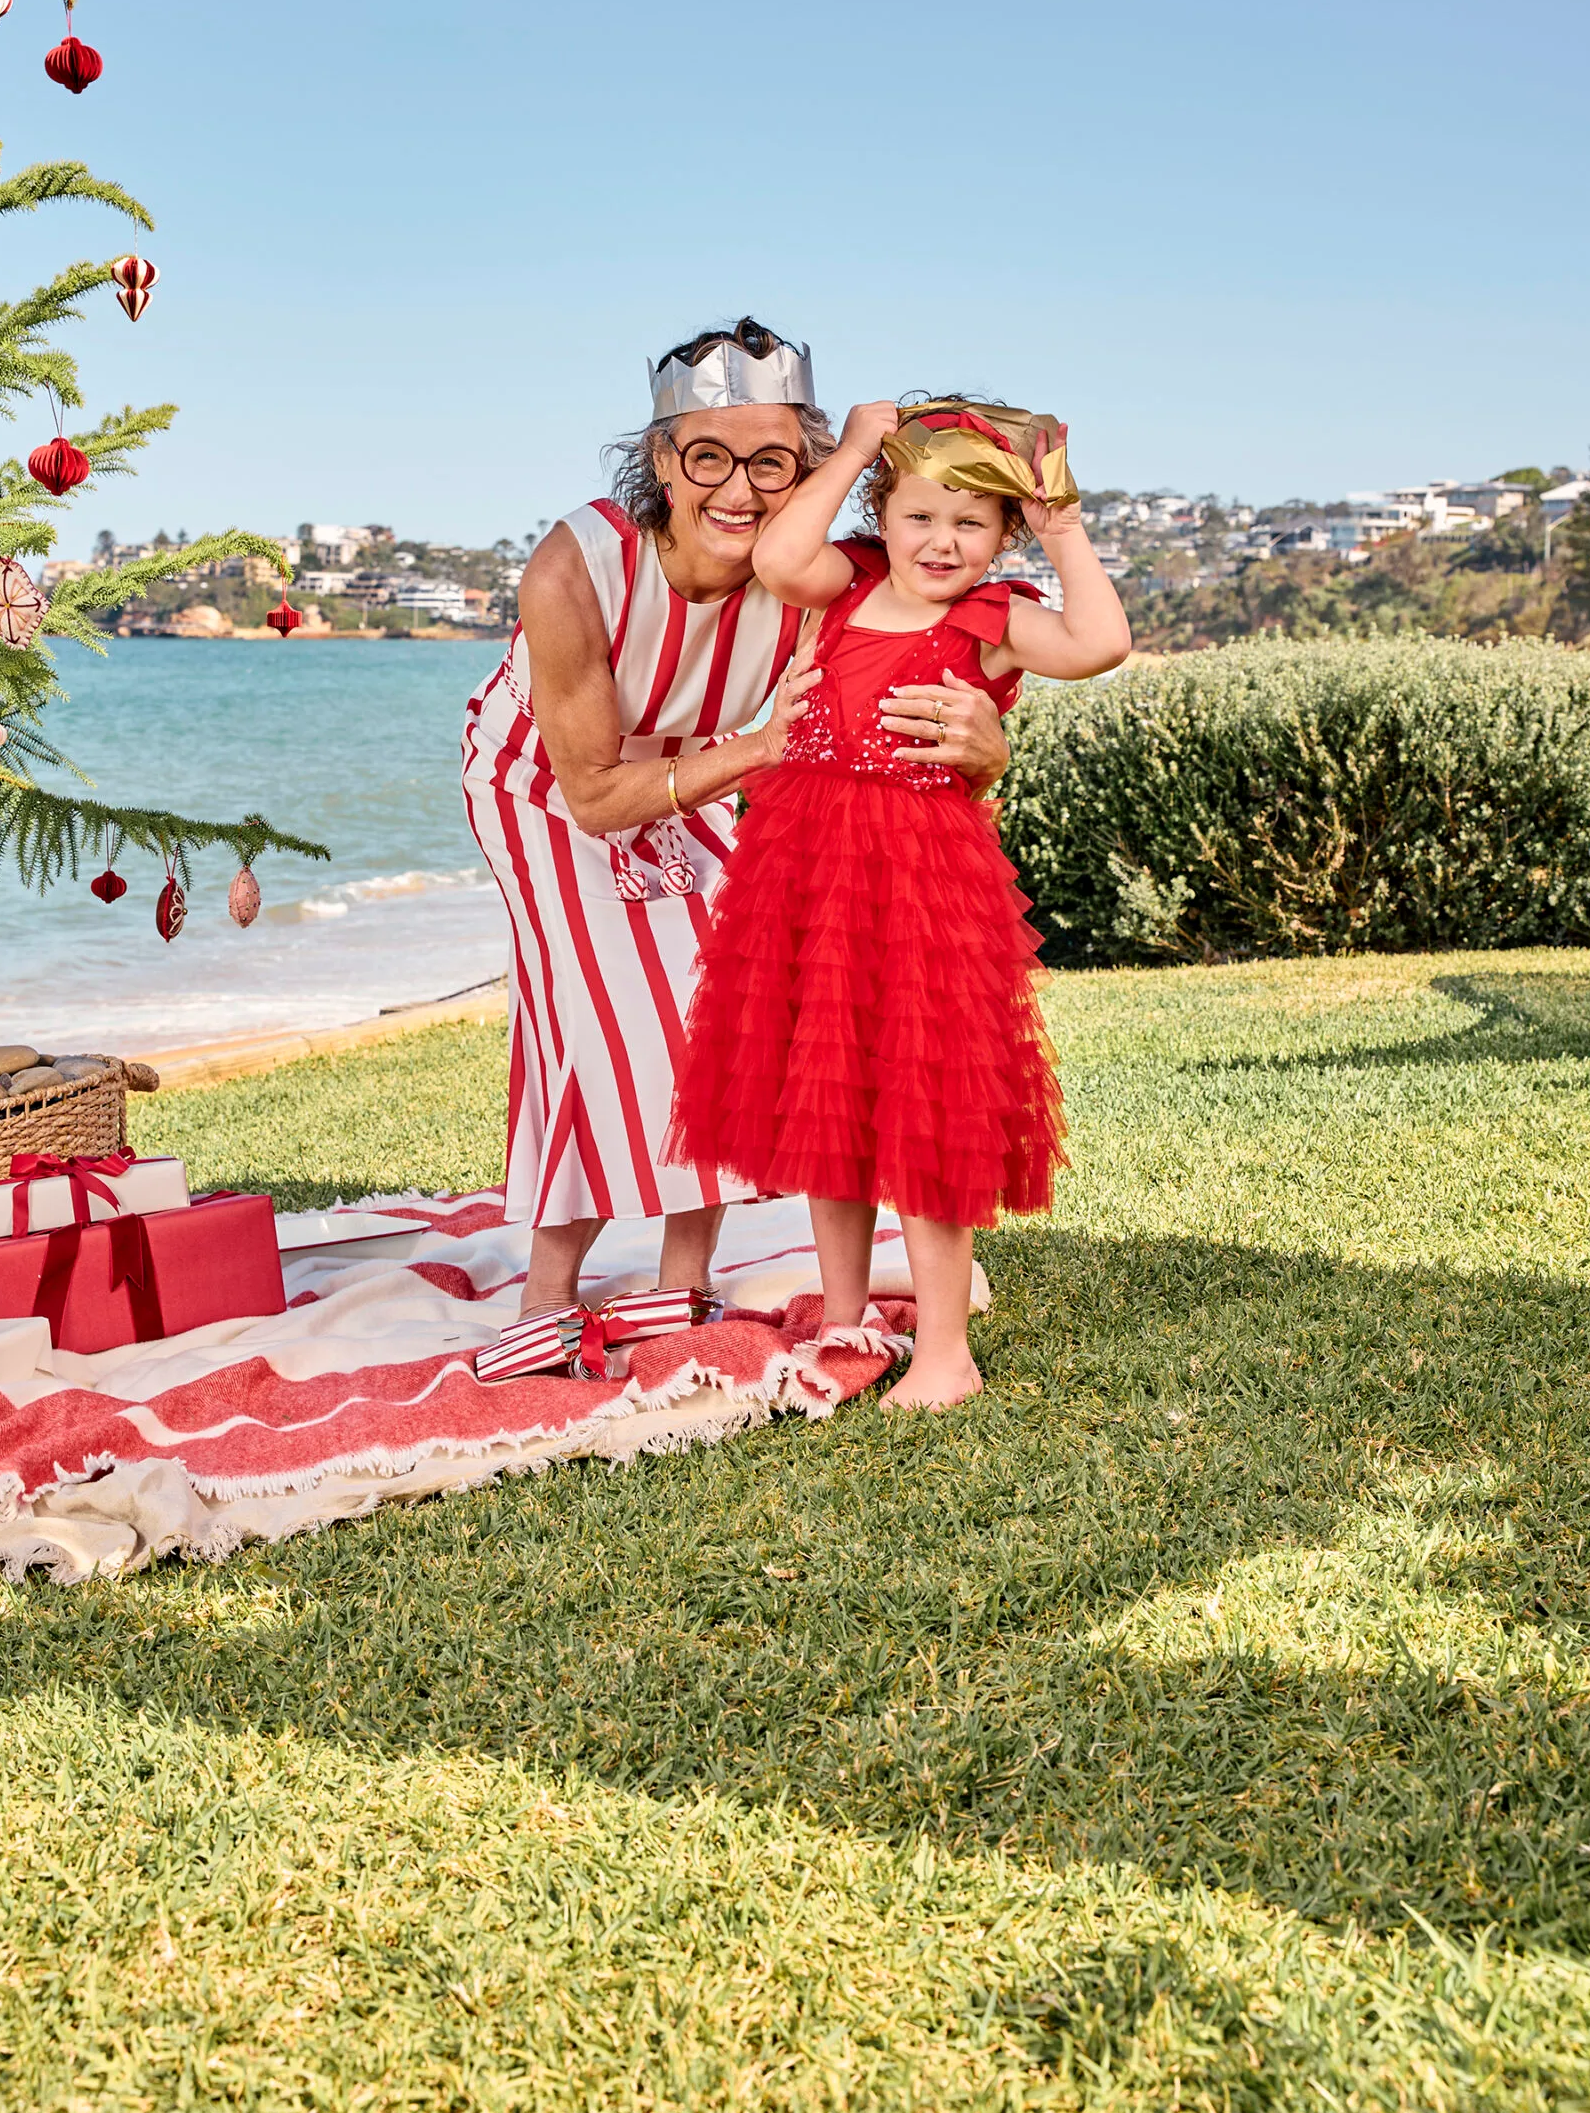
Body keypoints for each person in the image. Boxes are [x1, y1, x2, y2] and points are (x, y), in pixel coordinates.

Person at [460, 324, 1015, 1314]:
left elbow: (920, 680)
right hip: (543, 783)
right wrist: (761, 749)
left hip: (703, 765)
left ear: (805, 468)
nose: (740, 489)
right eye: (708, 456)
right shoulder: (573, 570)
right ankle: (546, 1296)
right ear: (663, 462)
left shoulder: (809, 580)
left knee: (726, 1010)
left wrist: (989, 749)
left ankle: (683, 1283)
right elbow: (591, 793)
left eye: (773, 462)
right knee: (603, 1011)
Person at [667, 393, 1133, 1408]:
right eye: (919, 515)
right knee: (826, 1098)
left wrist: (1064, 527)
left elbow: (1099, 643)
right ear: (883, 516)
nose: (941, 540)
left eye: (972, 522)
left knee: (924, 1109)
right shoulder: (849, 581)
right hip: (805, 867)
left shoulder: (995, 619)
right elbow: (782, 558)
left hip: (922, 880)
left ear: (1004, 533)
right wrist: (863, 447)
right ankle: (845, 1318)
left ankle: (947, 1352)